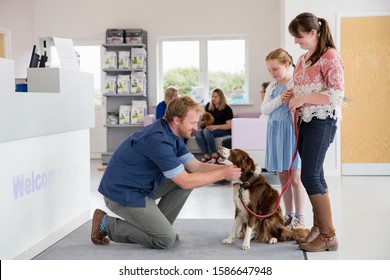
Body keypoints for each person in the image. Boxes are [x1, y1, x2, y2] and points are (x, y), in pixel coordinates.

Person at [91, 96, 241, 249]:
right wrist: (223, 174)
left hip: (142, 186)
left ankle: (158, 228)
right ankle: (105, 224)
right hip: (121, 193)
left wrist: (230, 170)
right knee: (164, 239)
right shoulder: (158, 140)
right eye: (192, 122)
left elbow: (195, 166)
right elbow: (185, 180)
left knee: (187, 184)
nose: (196, 128)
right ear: (177, 120)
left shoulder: (173, 134)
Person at [287, 12, 344, 252]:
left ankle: (329, 236)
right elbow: (299, 88)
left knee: (309, 176)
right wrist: (292, 96)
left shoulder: (330, 56)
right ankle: (319, 228)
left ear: (313, 33)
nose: (296, 42)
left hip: (322, 121)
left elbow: (335, 95)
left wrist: (303, 98)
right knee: (315, 174)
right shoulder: (302, 60)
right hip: (304, 122)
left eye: (299, 37)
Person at [261, 48, 306, 230]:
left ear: (286, 65)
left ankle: (300, 217)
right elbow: (265, 110)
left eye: (275, 69)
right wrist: (280, 98)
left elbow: (299, 106)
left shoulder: (295, 83)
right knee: (283, 178)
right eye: (269, 70)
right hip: (274, 132)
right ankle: (288, 215)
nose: (272, 73)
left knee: (295, 178)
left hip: (290, 132)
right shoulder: (272, 87)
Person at [195, 88, 234, 163]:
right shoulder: (208, 106)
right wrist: (205, 124)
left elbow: (229, 126)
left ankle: (214, 154)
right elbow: (206, 120)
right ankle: (206, 156)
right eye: (212, 96)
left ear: (221, 97)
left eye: (216, 97)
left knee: (206, 131)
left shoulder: (227, 109)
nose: (213, 98)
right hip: (210, 129)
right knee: (198, 132)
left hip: (224, 131)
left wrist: (216, 127)